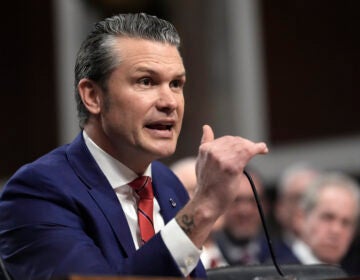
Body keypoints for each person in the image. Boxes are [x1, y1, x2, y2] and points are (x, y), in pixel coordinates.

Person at [0, 13, 268, 280]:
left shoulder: (167, 183)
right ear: (93, 96)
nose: (169, 102)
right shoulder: (38, 192)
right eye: (146, 81)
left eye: (176, 84)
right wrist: (204, 207)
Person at [290, 172, 360, 268]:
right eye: (327, 218)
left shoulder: (353, 273)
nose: (336, 230)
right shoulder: (272, 271)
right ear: (301, 218)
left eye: (346, 223)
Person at [171, 157, 226, 269]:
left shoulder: (240, 256)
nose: (213, 197)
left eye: (216, 188)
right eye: (197, 190)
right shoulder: (169, 264)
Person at [212, 168, 269, 266]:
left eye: (253, 200)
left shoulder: (282, 259)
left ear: (266, 206)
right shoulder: (207, 258)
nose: (245, 211)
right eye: (236, 200)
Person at [268, 162, 321, 264]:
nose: (305, 207)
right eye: (299, 198)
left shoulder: (342, 255)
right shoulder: (267, 257)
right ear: (280, 208)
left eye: (312, 200)